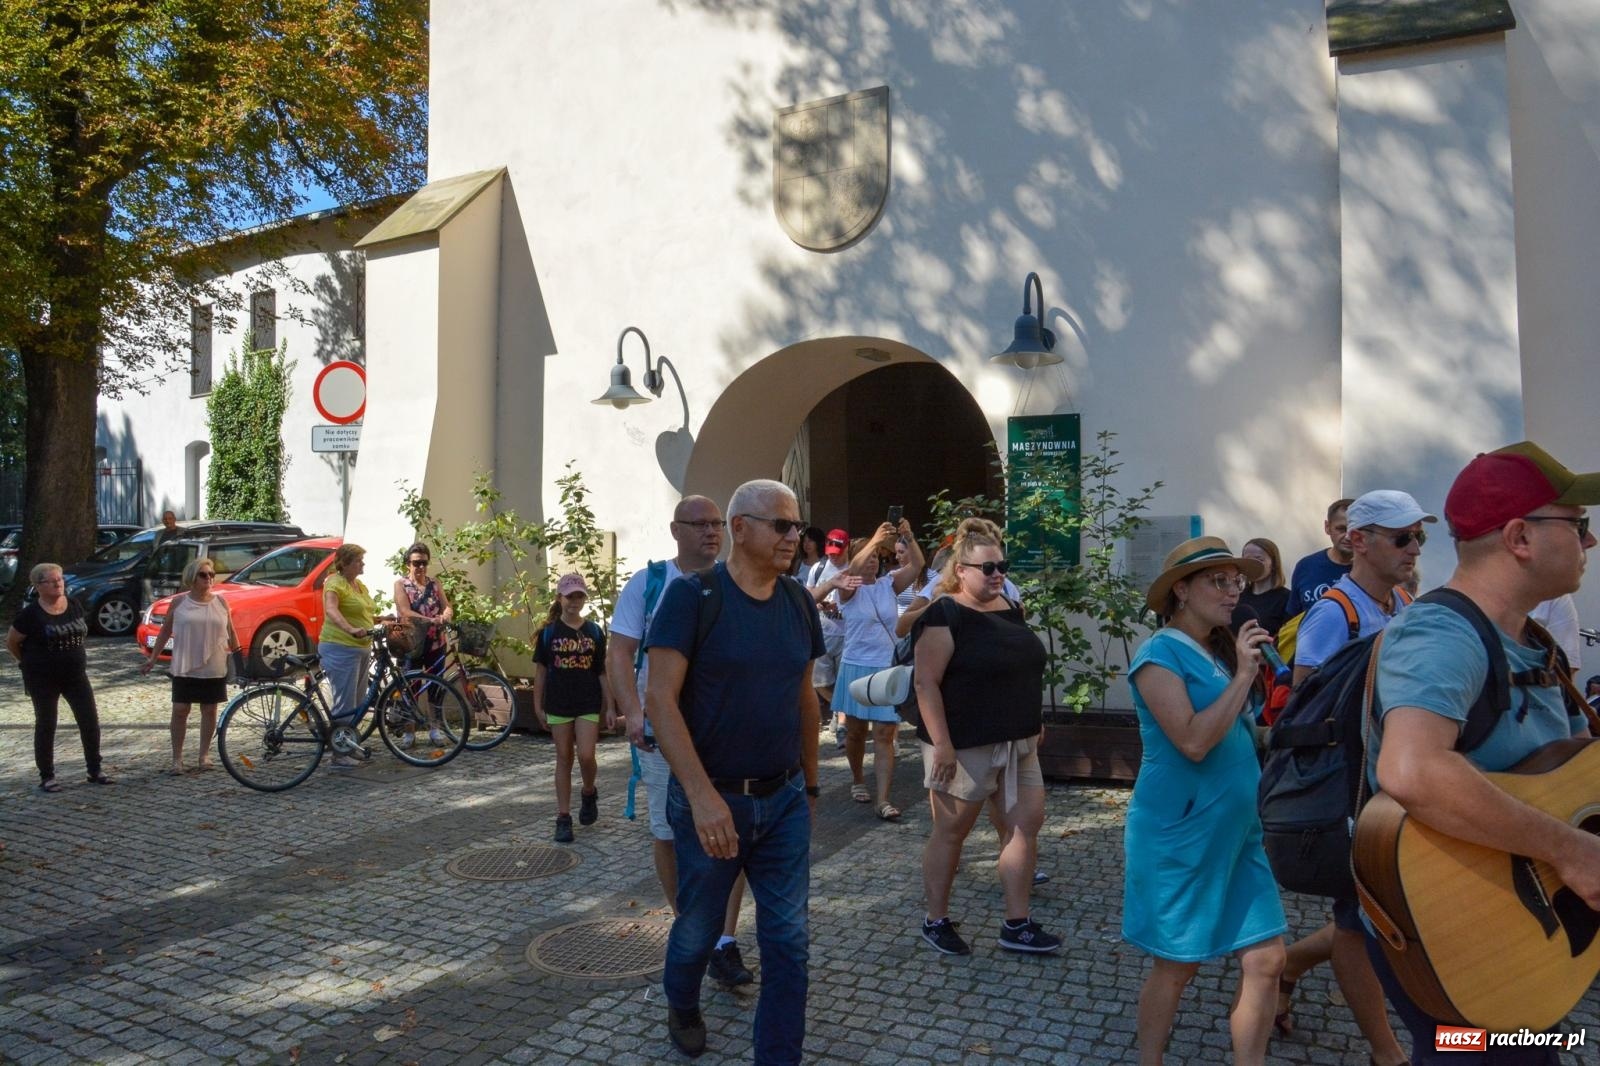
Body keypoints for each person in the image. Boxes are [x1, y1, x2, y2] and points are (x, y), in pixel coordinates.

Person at [1366, 442, 1600, 1064]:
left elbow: (1575, 770)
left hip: (1520, 930)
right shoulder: (1441, 632)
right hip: (1457, 938)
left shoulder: (1533, 640)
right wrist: (1572, 849)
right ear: (1521, 537)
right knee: (1471, 1053)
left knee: (1537, 1048)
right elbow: (1411, 768)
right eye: (1578, 526)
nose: (1591, 542)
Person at [645, 479, 824, 1063]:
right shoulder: (692, 598)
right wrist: (700, 798)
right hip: (711, 802)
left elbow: (804, 698)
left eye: (797, 526)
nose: (794, 537)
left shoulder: (799, 601)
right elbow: (659, 701)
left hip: (784, 800)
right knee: (697, 930)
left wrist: (813, 782)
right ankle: (682, 1001)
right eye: (782, 525)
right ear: (740, 528)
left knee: (788, 943)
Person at [1277, 489, 1433, 1066]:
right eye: (1402, 537)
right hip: (1352, 791)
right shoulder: (1332, 612)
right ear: (1358, 542)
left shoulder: (1404, 602)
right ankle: (1386, 1051)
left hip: (1398, 782)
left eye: (1418, 536)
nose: (1413, 547)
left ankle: (1289, 965)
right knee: (1354, 917)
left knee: (1378, 910)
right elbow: (1303, 709)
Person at [1124, 536, 1286, 1065]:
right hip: (1182, 833)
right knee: (1179, 964)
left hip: (1237, 832)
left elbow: (1235, 731)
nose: (1233, 590)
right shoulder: (1158, 654)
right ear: (1181, 590)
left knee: (1267, 958)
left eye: (1236, 580)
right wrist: (1244, 675)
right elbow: (1193, 741)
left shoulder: (1211, 650)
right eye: (1219, 580)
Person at [606, 496, 754, 988]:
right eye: (700, 524)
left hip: (723, 735)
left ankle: (723, 940)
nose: (712, 532)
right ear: (676, 530)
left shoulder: (737, 583)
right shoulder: (649, 584)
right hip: (660, 734)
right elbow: (620, 652)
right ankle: (689, 922)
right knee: (668, 831)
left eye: (717, 524)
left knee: (728, 834)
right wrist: (633, 711)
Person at [914, 519, 1058, 957]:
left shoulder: (1010, 609)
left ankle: (1017, 923)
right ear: (961, 569)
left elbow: (1023, 670)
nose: (998, 574)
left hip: (1018, 742)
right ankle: (935, 919)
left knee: (1023, 829)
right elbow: (926, 683)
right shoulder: (944, 613)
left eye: (1002, 566)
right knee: (951, 832)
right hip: (963, 744)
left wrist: (1032, 722)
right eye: (987, 567)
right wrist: (941, 743)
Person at [832, 519, 922, 820]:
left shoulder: (888, 584)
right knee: (856, 732)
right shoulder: (847, 588)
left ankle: (883, 799)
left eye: (875, 556)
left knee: (884, 734)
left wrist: (908, 536)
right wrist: (872, 539)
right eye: (866, 556)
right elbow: (852, 568)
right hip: (856, 665)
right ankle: (858, 780)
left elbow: (918, 564)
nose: (871, 561)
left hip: (885, 667)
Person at [8, 563, 110, 793]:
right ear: (38, 586)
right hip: (43, 678)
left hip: (75, 675)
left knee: (89, 721)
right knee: (46, 723)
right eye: (52, 581)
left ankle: (95, 769)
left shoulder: (73, 604)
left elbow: (80, 631)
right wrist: (25, 662)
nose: (58, 584)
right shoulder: (30, 614)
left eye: (60, 579)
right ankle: (47, 775)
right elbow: (12, 642)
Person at [534, 572, 616, 843]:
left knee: (586, 755)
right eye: (570, 596)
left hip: (587, 702)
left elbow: (602, 671)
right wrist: (537, 705)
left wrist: (611, 706)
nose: (575, 601)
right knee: (563, 757)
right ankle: (563, 817)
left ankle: (589, 791)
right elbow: (541, 673)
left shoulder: (593, 631)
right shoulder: (549, 633)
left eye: (580, 596)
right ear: (560, 598)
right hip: (558, 703)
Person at [142, 557, 242, 776]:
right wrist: (153, 658)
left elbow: (232, 632)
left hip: (213, 663)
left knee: (209, 709)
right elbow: (166, 631)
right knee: (180, 710)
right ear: (192, 577)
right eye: (203, 575)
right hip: (185, 662)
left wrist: (240, 660)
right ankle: (177, 758)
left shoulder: (221, 602)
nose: (209, 579)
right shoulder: (179, 603)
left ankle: (204, 755)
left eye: (212, 575)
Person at [320, 543, 377, 768]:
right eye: (358, 560)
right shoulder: (334, 582)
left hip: (361, 648)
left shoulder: (359, 585)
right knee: (344, 702)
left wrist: (384, 620)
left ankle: (348, 745)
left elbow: (363, 613)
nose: (362, 564)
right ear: (344, 563)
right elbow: (332, 609)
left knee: (357, 702)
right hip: (340, 647)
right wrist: (350, 629)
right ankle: (338, 753)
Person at [394, 541, 453, 749]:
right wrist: (430, 620)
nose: (420, 567)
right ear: (408, 564)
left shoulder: (434, 583)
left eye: (424, 563)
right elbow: (405, 611)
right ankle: (409, 733)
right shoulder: (401, 584)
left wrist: (446, 615)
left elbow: (446, 606)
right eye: (416, 563)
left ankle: (434, 730)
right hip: (413, 643)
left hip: (436, 642)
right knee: (412, 688)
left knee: (435, 687)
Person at [805, 527, 857, 745]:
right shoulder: (818, 569)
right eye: (830, 552)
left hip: (848, 635)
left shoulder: (855, 568)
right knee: (819, 683)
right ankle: (840, 709)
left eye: (838, 552)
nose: (833, 556)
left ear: (847, 548)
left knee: (845, 682)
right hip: (823, 633)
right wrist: (817, 601)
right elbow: (807, 594)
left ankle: (843, 723)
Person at [1289, 498, 1355, 613]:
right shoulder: (1306, 566)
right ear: (1327, 527)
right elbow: (1292, 615)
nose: (1348, 536)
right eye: (1341, 529)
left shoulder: (1374, 569)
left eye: (1354, 530)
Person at [1230, 538, 1294, 636]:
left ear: (1273, 564)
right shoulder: (1237, 595)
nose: (1253, 565)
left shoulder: (1287, 599)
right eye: (1247, 560)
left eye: (1259, 560)